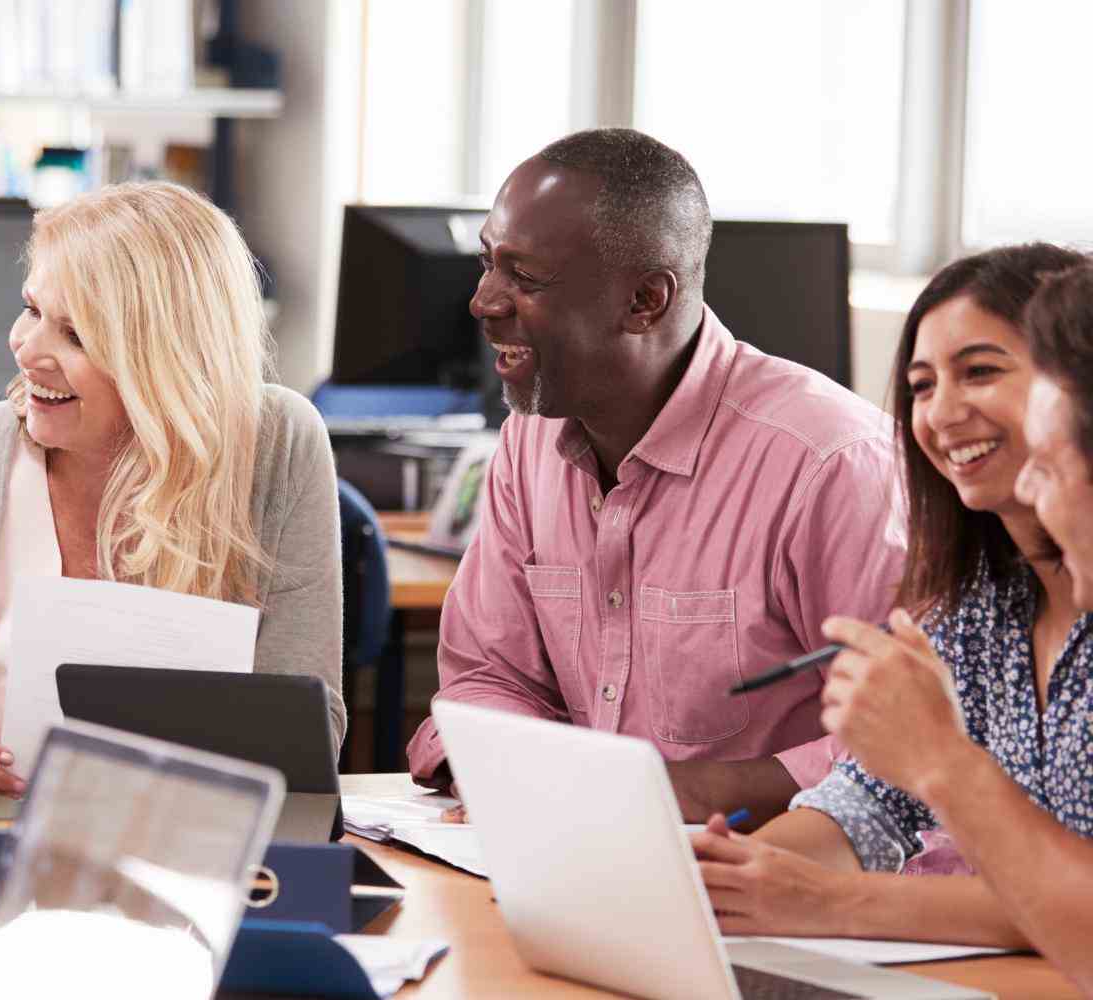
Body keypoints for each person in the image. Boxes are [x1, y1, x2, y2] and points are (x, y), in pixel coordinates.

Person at [404, 129, 903, 823]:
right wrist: (508, 770)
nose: (483, 301)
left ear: (646, 301)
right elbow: (491, 673)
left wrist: (701, 790)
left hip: (777, 883)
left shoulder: (831, 465)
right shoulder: (529, 439)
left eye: (524, 277)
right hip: (576, 856)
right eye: (488, 265)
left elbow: (922, 748)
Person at [0, 181, 344, 796]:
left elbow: (311, 732)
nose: (26, 350)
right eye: (33, 310)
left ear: (165, 361)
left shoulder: (275, 445)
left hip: (179, 845)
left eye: (77, 336)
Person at [690, 243, 1089, 952]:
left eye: (981, 372)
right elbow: (865, 802)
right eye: (923, 386)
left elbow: (1071, 897)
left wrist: (832, 901)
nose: (940, 414)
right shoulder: (979, 606)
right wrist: (740, 877)